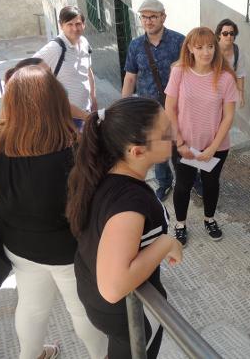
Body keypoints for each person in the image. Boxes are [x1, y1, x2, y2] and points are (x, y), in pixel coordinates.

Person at [0, 66, 108, 359]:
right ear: (57, 100)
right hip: (71, 251)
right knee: (81, 310)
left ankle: (30, 356)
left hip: (19, 247)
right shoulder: (78, 147)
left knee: (31, 307)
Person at [67, 97, 183, 359]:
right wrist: (165, 243)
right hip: (128, 314)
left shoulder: (104, 174)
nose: (174, 133)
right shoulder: (129, 204)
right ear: (137, 151)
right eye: (165, 132)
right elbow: (114, 286)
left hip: (101, 299)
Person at [164, 27, 239, 246]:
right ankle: (180, 224)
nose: (206, 52)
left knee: (211, 183)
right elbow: (169, 108)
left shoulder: (225, 78)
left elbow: (228, 116)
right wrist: (179, 142)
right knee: (183, 185)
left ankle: (210, 219)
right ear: (190, 48)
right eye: (199, 47)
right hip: (184, 144)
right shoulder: (179, 72)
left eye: (210, 46)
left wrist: (213, 148)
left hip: (216, 146)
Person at [122, 0, 185, 202]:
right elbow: (130, 76)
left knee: (181, 146)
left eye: (153, 17)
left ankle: (191, 181)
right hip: (149, 109)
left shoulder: (179, 41)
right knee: (157, 147)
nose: (148, 21)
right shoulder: (136, 45)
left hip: (177, 107)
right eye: (144, 17)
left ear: (163, 17)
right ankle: (164, 183)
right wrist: (124, 107)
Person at [192, 18, 246, 198]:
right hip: (208, 97)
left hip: (225, 98)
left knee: (221, 126)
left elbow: (240, 74)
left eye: (232, 33)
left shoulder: (237, 53)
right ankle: (199, 168)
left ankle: (209, 158)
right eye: (225, 33)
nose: (229, 37)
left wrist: (241, 94)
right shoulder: (211, 53)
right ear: (218, 35)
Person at [34, 6, 97, 130]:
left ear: (84, 24)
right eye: (70, 24)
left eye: (78, 24)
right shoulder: (55, 48)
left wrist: (94, 100)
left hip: (86, 112)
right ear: (61, 25)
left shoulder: (84, 43)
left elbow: (88, 72)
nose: (75, 28)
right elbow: (25, 69)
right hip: (64, 118)